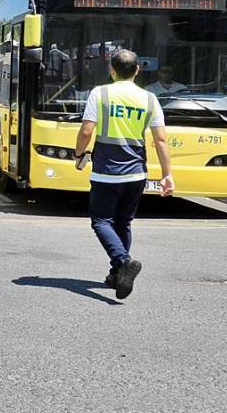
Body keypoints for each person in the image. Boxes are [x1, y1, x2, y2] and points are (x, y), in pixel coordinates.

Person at [74, 49, 174, 300]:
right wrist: (167, 174)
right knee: (123, 222)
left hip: (107, 171)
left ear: (112, 70)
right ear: (138, 70)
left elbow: (87, 130)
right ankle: (116, 274)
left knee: (101, 221)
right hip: (136, 173)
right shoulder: (150, 98)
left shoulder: (101, 93)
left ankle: (123, 261)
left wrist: (79, 154)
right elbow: (160, 139)